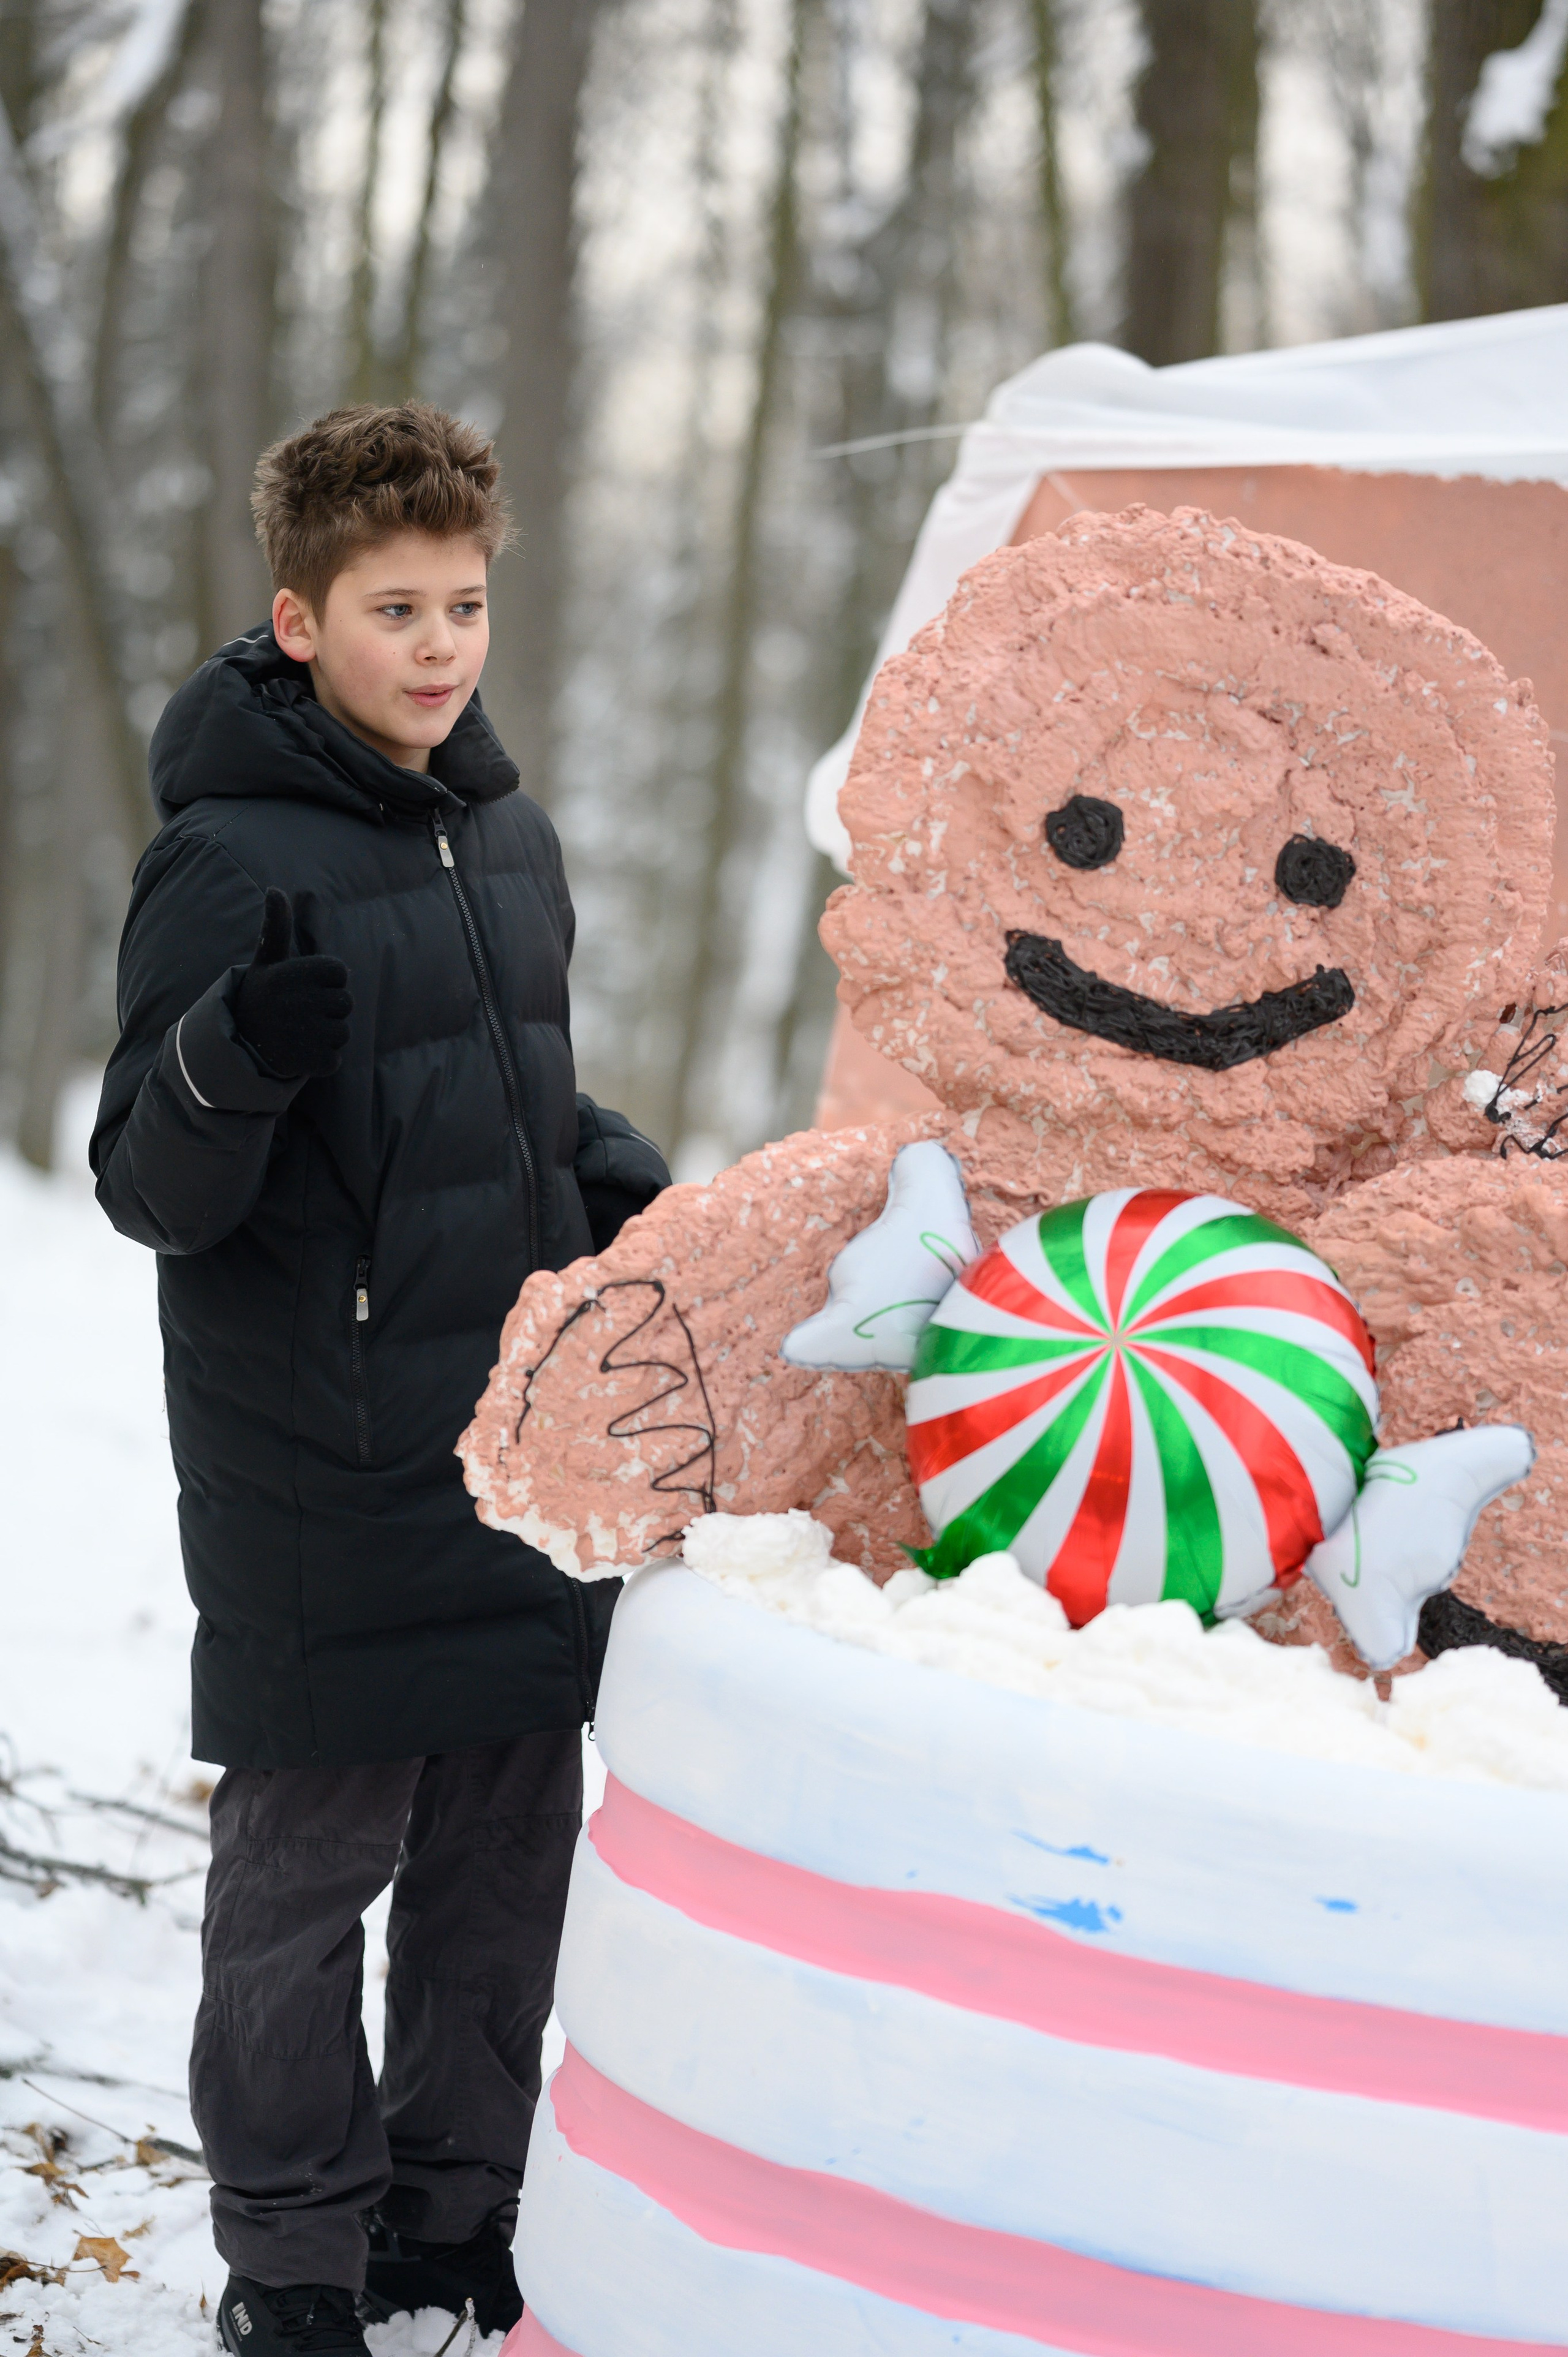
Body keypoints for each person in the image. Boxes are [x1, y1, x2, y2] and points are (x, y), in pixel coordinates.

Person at [90, 403, 669, 2355]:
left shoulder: (509, 835)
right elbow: (149, 1189)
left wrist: (588, 1167)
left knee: (502, 1871)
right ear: (297, 618)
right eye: (393, 607)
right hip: (318, 1467)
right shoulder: (223, 859)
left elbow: (486, 1085)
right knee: (301, 1891)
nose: (438, 645)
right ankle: (295, 2266)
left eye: (465, 605)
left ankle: (450, 2220)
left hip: (506, 1457)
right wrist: (226, 1056)